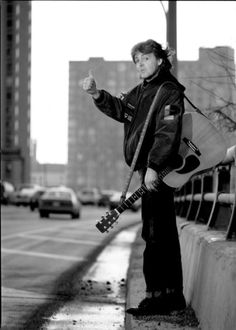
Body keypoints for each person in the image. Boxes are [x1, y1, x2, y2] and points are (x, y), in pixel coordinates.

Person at [82, 39, 186, 315]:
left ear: (160, 61)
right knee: (156, 231)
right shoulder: (142, 91)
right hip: (149, 170)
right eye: (136, 60)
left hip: (159, 169)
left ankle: (162, 297)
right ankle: (167, 296)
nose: (139, 64)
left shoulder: (169, 91)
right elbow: (121, 109)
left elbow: (169, 130)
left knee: (157, 232)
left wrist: (154, 164)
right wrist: (96, 94)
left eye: (145, 58)